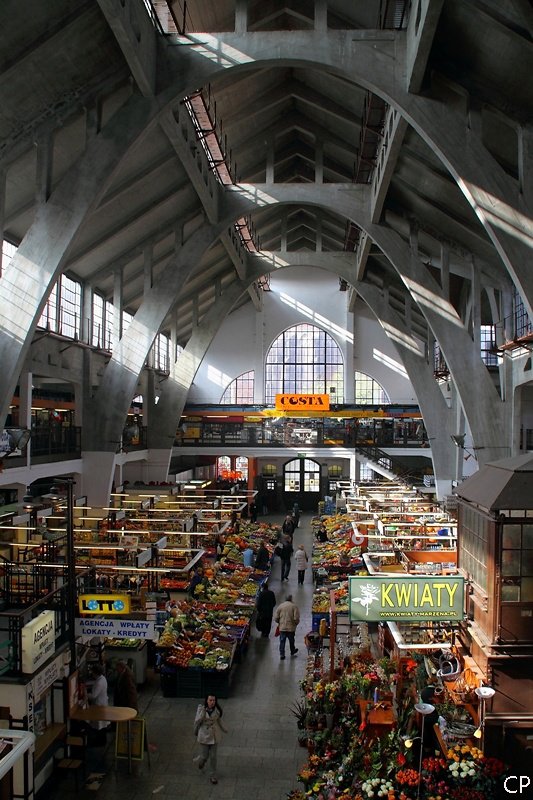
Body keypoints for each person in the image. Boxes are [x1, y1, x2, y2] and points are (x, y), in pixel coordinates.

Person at [193, 694, 228, 785]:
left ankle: (212, 775)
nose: (212, 702)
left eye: (214, 700)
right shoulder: (201, 709)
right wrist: (203, 714)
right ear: (207, 701)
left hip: (214, 735)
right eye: (210, 700)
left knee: (213, 756)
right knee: (205, 755)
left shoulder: (217, 710)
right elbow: (196, 721)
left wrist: (224, 729)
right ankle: (203, 760)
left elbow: (219, 720)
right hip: (204, 734)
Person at [87, 664, 110, 742]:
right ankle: (102, 740)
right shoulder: (102, 679)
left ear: (95, 673)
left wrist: (85, 694)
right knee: (101, 724)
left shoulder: (99, 682)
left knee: (99, 724)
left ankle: (100, 741)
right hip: (102, 703)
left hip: (99, 705)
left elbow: (93, 695)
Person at [274, 594, 300, 660]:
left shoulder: (281, 606)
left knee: (282, 641)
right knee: (291, 640)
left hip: (282, 627)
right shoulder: (294, 606)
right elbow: (296, 618)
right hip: (291, 627)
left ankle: (282, 654)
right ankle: (292, 650)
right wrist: (296, 623)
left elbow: (276, 617)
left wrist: (279, 622)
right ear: (291, 599)